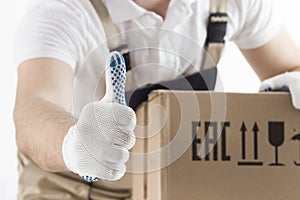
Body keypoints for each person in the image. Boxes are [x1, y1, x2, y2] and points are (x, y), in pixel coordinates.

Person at [13, 0, 300, 199]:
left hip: (170, 182)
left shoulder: (226, 5)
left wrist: (293, 82)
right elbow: (33, 110)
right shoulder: (64, 11)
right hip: (71, 191)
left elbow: (289, 66)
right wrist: (75, 145)